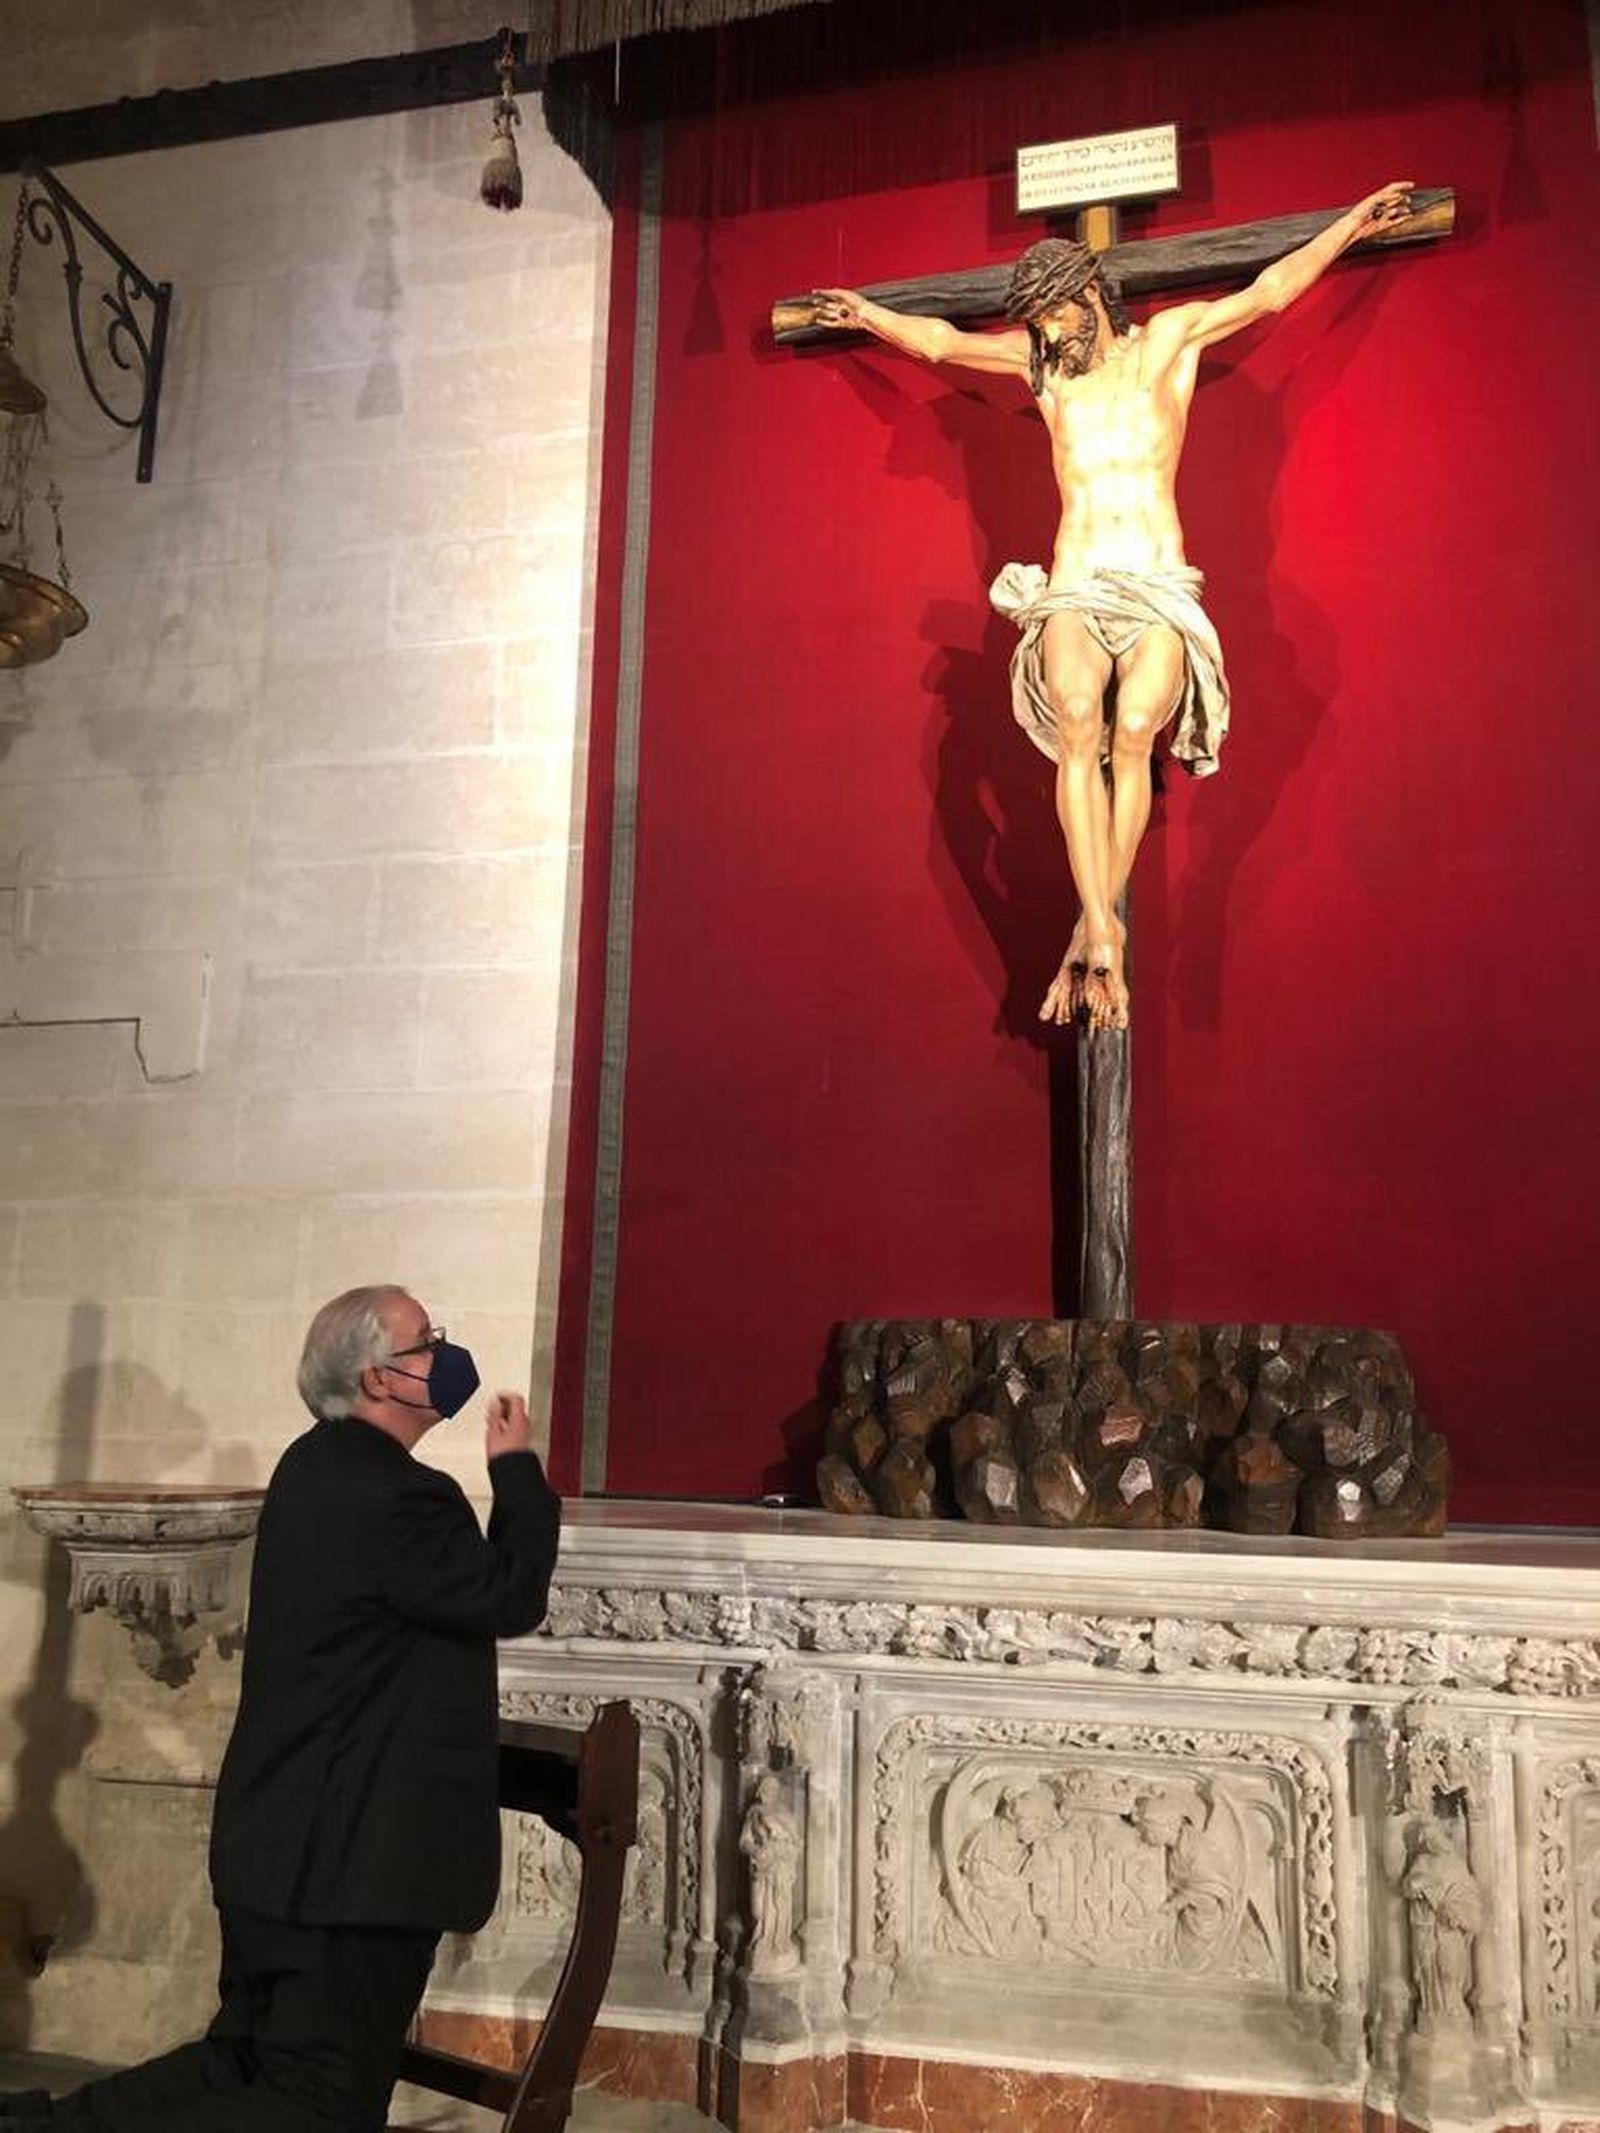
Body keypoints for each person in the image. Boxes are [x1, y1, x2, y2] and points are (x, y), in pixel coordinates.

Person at [814, 180, 1415, 1032]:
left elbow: (1270, 291)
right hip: (1077, 580)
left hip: (1157, 581)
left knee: (1136, 729)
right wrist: (871, 316)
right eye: (1039, 324)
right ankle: (1102, 923)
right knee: (1074, 722)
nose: (1048, 334)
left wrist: (1351, 225)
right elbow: (944, 343)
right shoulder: (1043, 372)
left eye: (1057, 314)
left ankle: (1089, 928)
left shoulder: (1169, 343)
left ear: (1089, 293)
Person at [2, 1285, 561, 2130]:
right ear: (377, 1378)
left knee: (244, 2057)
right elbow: (510, 1594)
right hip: (353, 1868)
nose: (443, 1353)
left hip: (280, 1847)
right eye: (426, 1342)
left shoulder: (307, 1466)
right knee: (315, 2097)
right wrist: (517, 1470)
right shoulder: (403, 1496)